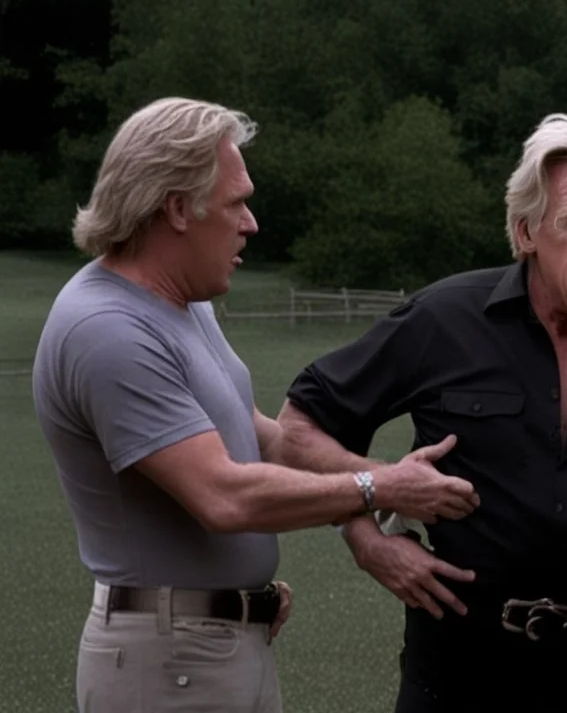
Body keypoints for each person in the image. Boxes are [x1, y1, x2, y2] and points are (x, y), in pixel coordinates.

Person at [274, 112, 567, 712]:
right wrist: (366, 534)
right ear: (526, 233)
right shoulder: (443, 320)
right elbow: (297, 430)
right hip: (454, 679)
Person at [31, 96, 481, 713]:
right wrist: (381, 492)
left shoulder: (182, 305)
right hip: (169, 666)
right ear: (177, 209)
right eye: (236, 203)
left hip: (206, 648)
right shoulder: (109, 329)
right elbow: (224, 495)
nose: (251, 223)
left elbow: (261, 437)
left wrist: (381, 484)